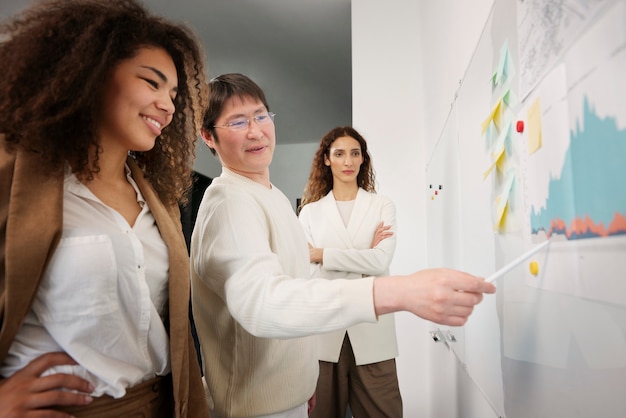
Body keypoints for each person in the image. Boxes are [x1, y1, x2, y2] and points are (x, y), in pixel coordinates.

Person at [190, 73, 496, 418]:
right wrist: (399, 291)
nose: (255, 130)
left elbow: (307, 278)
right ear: (208, 136)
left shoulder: (271, 197)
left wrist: (303, 380)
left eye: (261, 115)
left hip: (292, 394)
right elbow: (266, 303)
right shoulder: (230, 202)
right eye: (237, 122)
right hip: (254, 409)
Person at [0, 0, 210, 416]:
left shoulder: (158, 200)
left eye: (173, 94)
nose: (168, 106)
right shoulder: (14, 177)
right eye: (152, 83)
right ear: (91, 74)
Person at [298, 126, 402, 417]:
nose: (348, 161)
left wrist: (322, 255)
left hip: (372, 328)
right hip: (324, 330)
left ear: (363, 159)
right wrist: (362, 257)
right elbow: (307, 275)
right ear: (327, 160)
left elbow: (380, 262)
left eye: (355, 153)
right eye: (340, 154)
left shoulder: (382, 206)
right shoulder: (310, 213)